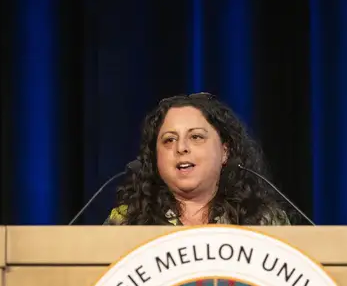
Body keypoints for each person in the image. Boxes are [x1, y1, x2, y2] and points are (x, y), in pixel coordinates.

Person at [105, 92, 292, 226]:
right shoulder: (127, 222)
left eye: (196, 137)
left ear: (225, 152)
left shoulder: (263, 220)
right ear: (155, 157)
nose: (181, 148)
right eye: (169, 140)